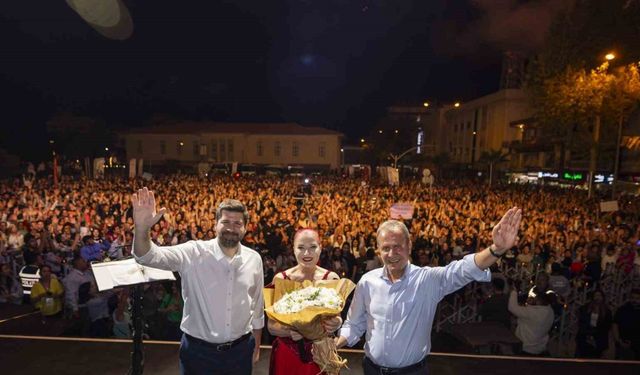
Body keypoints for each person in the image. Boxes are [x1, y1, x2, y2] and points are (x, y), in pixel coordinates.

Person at [337, 207, 522, 374]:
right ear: (378, 250)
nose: (392, 254)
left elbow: (463, 269)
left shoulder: (427, 280)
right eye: (386, 248)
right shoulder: (367, 282)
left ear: (409, 246)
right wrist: (336, 343)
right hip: (371, 370)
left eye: (397, 247)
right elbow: (354, 324)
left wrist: (496, 249)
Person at [131, 187, 264, 375]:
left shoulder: (254, 259)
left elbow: (257, 308)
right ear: (216, 224)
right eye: (225, 221)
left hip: (240, 352)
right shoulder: (193, 253)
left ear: (245, 227)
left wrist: (256, 348)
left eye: (237, 223)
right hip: (198, 353)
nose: (231, 228)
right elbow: (146, 256)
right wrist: (142, 229)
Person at [267, 229, 342, 375]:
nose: (307, 253)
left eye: (312, 247)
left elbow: (336, 317)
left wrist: (337, 322)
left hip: (320, 354)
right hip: (288, 354)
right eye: (301, 248)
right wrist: (290, 331)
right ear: (293, 249)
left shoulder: (331, 278)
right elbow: (271, 326)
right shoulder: (280, 279)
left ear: (320, 248)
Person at [508, 285, 554, 355]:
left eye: (535, 298)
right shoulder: (550, 311)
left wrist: (514, 292)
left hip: (526, 348)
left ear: (539, 301)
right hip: (540, 347)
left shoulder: (533, 312)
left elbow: (512, 307)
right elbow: (530, 322)